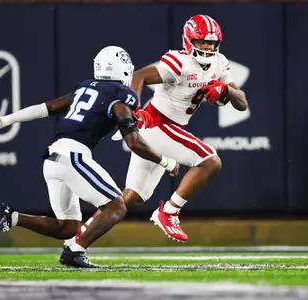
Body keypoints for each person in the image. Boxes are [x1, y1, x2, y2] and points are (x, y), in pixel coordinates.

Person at [0, 46, 179, 268]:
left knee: (69, 227)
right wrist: (165, 161)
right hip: (73, 156)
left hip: (53, 158)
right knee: (116, 206)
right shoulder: (123, 95)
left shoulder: (85, 88)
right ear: (123, 69)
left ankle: (11, 217)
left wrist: (3, 120)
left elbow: (47, 107)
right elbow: (134, 142)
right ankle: (75, 251)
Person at [64, 14, 249, 247]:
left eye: (210, 43)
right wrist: (133, 110)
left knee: (130, 198)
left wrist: (226, 91)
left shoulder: (219, 63)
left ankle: (77, 240)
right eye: (201, 42)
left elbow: (242, 103)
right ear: (189, 40)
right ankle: (169, 212)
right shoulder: (179, 62)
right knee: (210, 161)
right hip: (157, 123)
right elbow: (140, 75)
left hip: (169, 128)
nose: (206, 47)